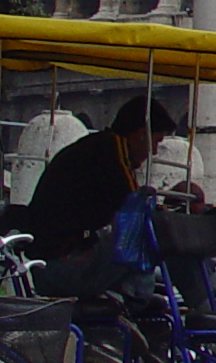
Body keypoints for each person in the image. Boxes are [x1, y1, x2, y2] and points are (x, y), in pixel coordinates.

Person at [25, 96, 180, 298]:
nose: (154, 152)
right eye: (156, 142)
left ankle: (138, 296)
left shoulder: (96, 148)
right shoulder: (114, 148)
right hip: (65, 264)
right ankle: (140, 300)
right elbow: (135, 209)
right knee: (151, 232)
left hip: (55, 262)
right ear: (142, 134)